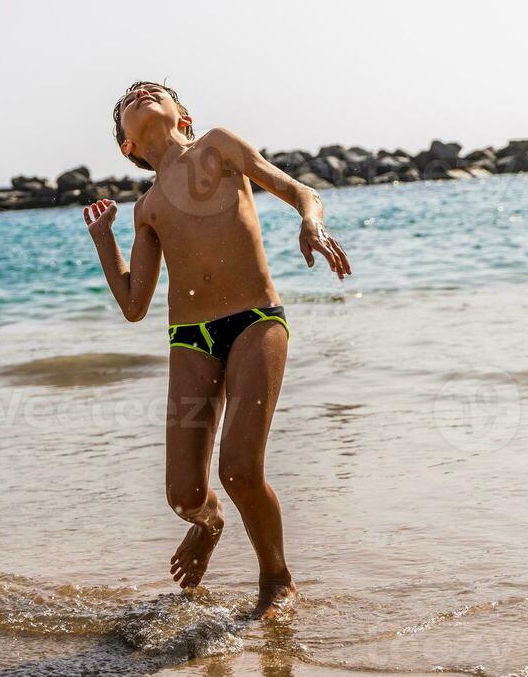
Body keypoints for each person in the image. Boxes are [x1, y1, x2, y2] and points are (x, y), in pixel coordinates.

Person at [84, 81, 351, 618]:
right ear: (126, 147)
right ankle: (210, 525)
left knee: (238, 469)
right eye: (130, 100)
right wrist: (104, 238)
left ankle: (277, 581)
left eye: (153, 91)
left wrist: (310, 222)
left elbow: (300, 190)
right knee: (183, 495)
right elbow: (135, 303)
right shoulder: (147, 208)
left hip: (255, 321)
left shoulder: (218, 146)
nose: (141, 92)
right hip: (191, 339)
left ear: (183, 115)